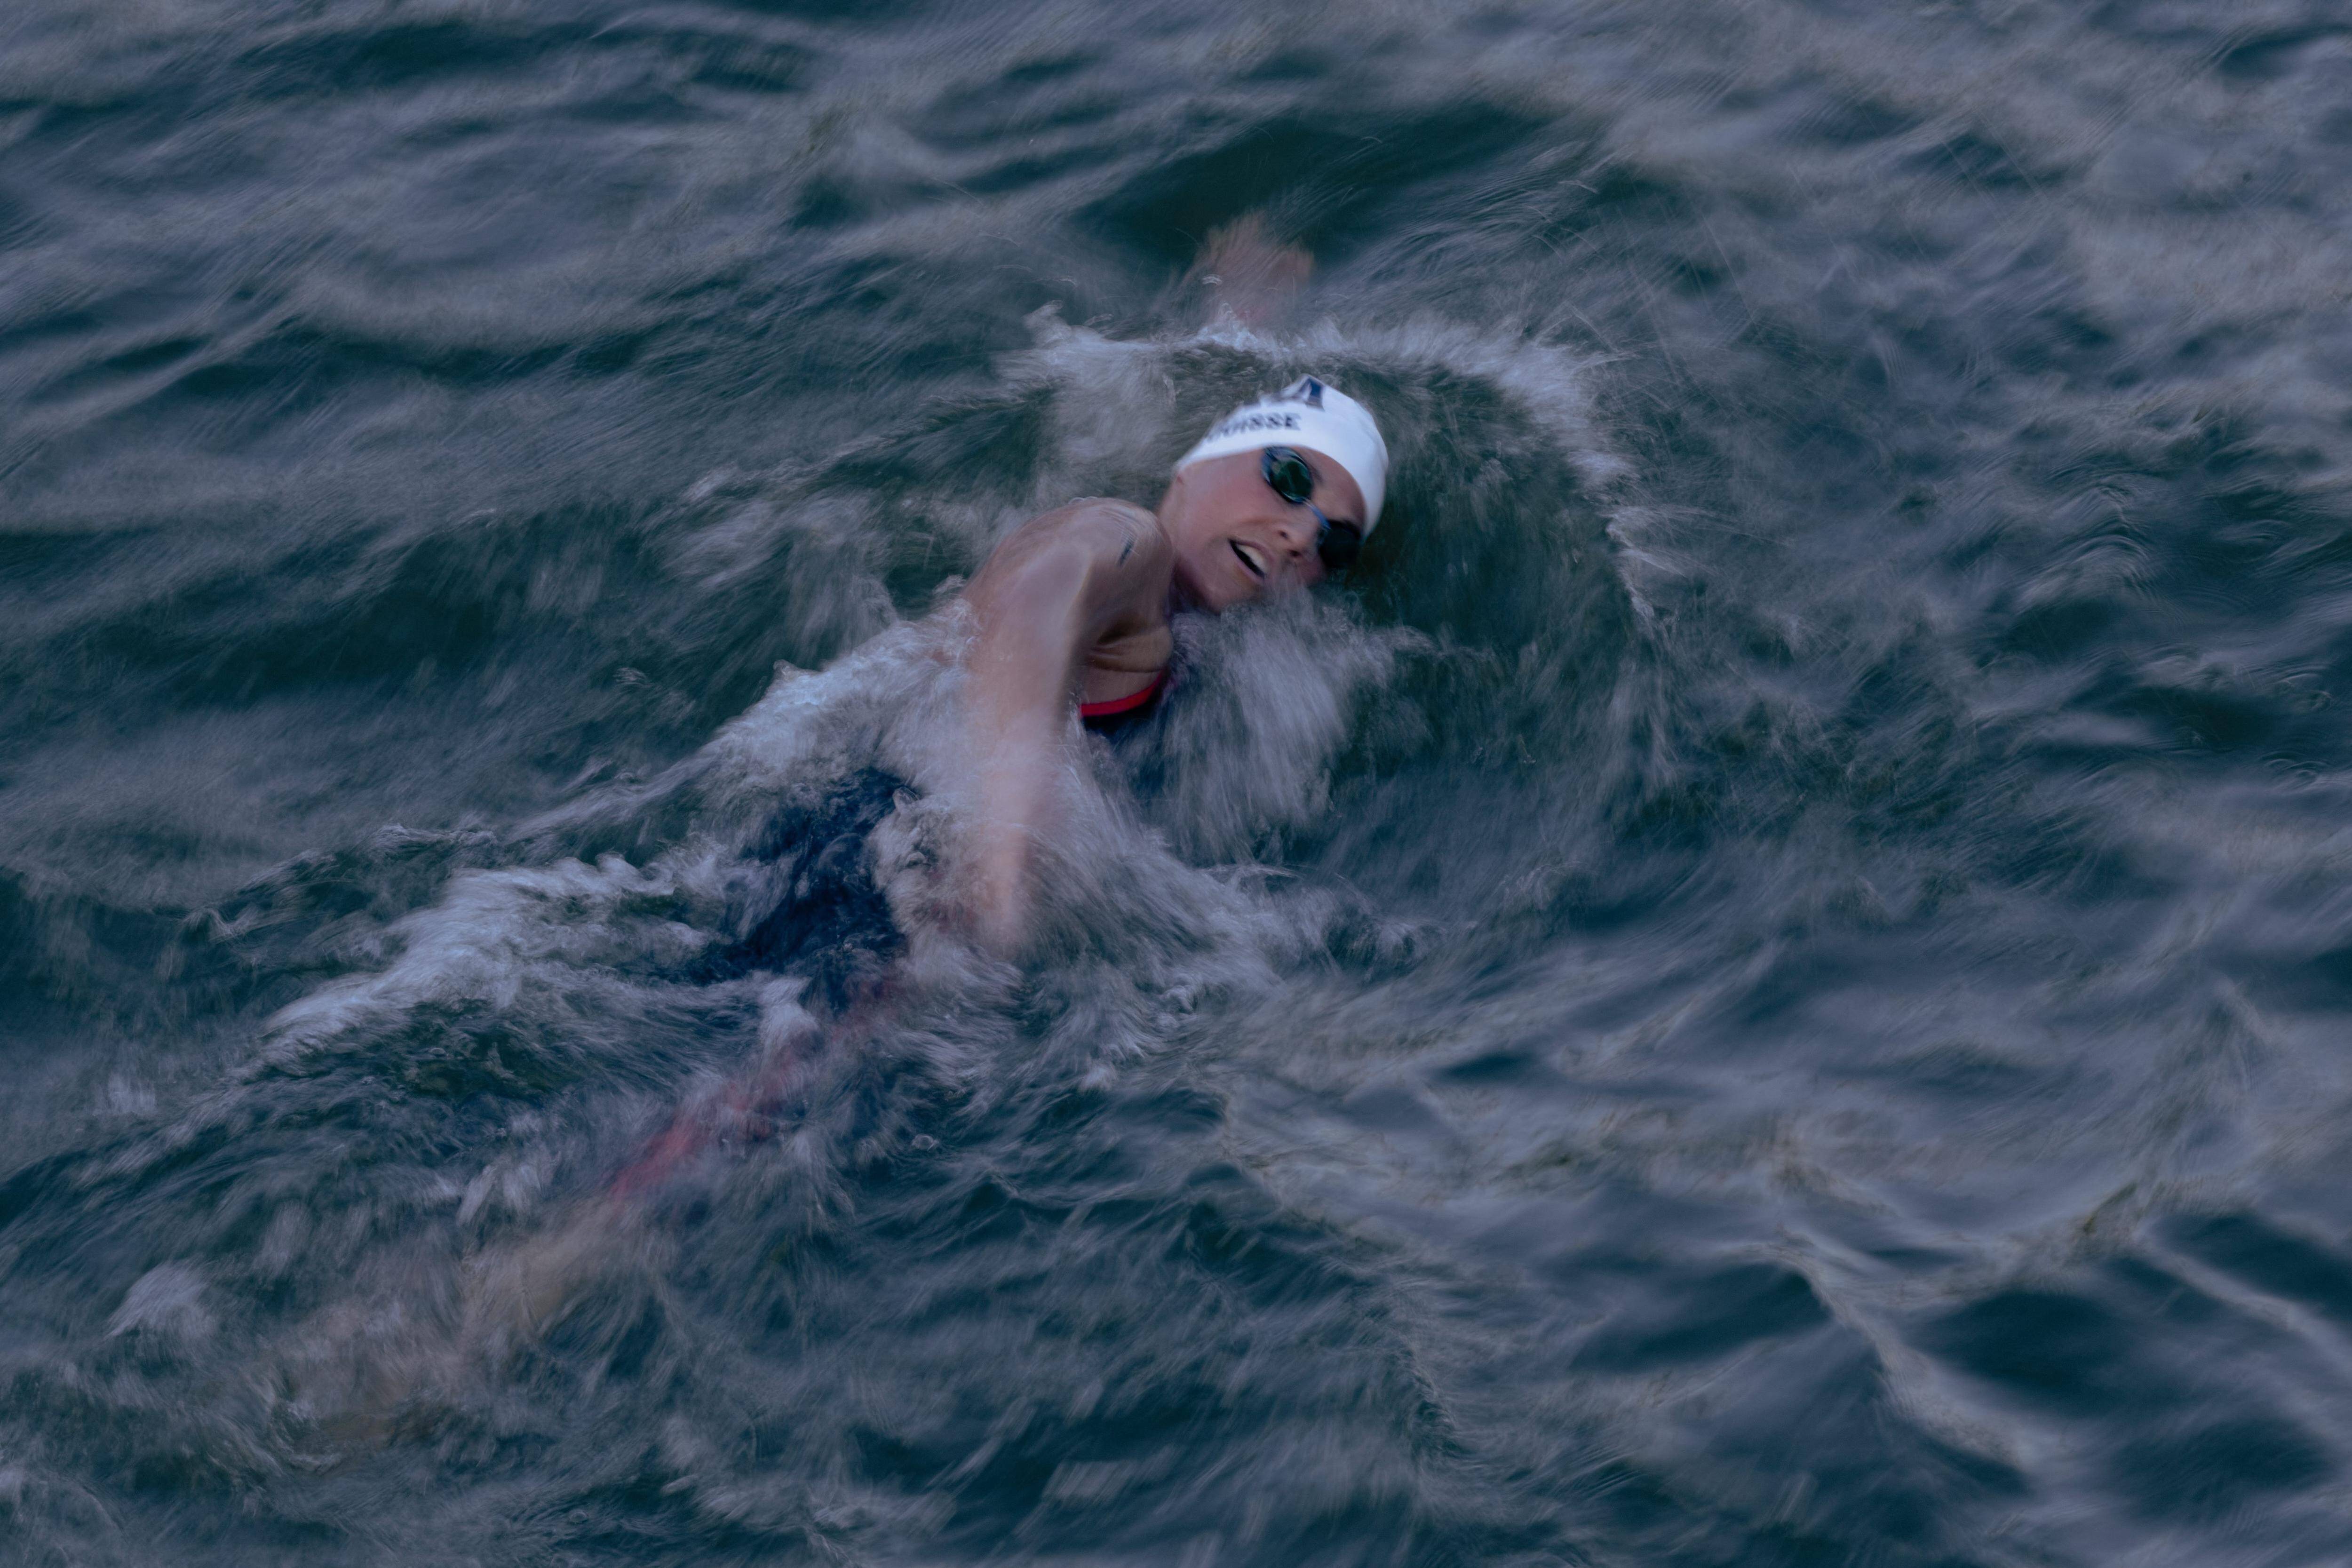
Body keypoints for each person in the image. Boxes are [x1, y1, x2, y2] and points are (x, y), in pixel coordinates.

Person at [958, 373, 1391, 952]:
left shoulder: (1204, 667)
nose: (1300, 538)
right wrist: (1010, 845)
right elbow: (1044, 587)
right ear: (1198, 463)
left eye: (1334, 544)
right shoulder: (1127, 541)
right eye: (1288, 477)